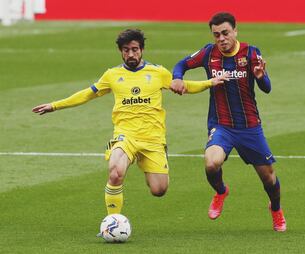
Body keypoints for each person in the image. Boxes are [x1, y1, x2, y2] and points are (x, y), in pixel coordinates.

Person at [32, 29, 228, 219]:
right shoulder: (112, 75)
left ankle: (146, 162)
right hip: (125, 136)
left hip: (153, 139)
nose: (131, 54)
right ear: (121, 52)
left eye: (135, 49)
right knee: (115, 172)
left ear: (141, 50)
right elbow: (87, 94)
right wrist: (55, 106)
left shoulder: (158, 72)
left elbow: (185, 86)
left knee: (159, 190)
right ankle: (113, 221)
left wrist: (210, 82)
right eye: (126, 50)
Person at [170, 12, 286, 231]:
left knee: (269, 180)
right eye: (216, 35)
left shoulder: (251, 53)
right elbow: (181, 64)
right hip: (221, 125)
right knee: (211, 163)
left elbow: (267, 88)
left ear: (235, 31)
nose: (221, 38)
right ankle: (221, 191)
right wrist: (177, 77)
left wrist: (261, 77)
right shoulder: (208, 53)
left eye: (225, 33)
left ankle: (276, 209)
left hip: (250, 127)